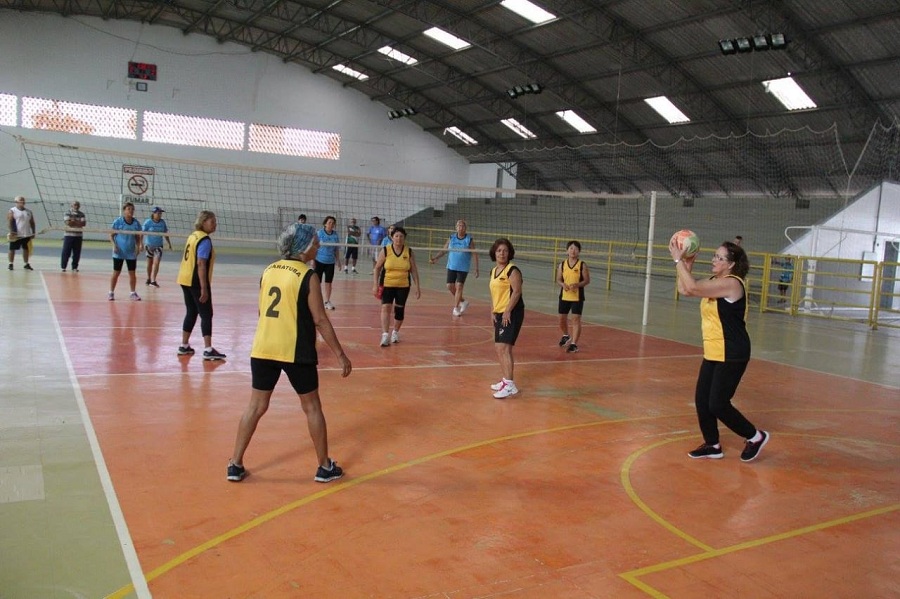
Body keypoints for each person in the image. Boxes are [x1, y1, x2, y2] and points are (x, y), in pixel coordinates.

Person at [227, 223, 352, 484]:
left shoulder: (268, 270)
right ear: (304, 247)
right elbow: (320, 320)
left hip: (263, 347)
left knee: (256, 406)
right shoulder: (308, 275)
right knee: (312, 407)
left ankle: (235, 464)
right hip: (295, 350)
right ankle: (324, 467)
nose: (319, 245)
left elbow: (262, 312)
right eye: (315, 242)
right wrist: (340, 354)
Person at [669, 238, 769, 462]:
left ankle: (755, 436)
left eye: (720, 257)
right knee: (702, 400)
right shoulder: (715, 280)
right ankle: (713, 445)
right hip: (714, 350)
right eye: (714, 255)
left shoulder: (733, 284)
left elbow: (693, 287)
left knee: (718, 403)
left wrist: (678, 260)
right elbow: (685, 289)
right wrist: (687, 264)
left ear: (731, 264)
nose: (714, 260)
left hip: (733, 351)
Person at [176, 210, 225, 360]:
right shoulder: (204, 240)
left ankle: (184, 346)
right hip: (196, 280)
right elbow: (201, 263)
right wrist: (204, 287)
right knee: (206, 314)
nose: (215, 224)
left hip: (184, 278)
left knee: (191, 311)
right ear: (203, 222)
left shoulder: (193, 236)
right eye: (212, 221)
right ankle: (208, 349)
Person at [373, 225, 420, 347]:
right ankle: (385, 335)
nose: (399, 239)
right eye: (396, 236)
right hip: (387, 284)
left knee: (399, 310)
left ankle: (395, 332)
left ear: (404, 238)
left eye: (401, 236)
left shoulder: (408, 252)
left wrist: (418, 287)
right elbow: (377, 268)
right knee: (386, 307)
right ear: (392, 237)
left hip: (403, 285)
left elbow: (413, 270)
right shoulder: (385, 250)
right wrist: (375, 285)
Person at [489, 238, 524, 399]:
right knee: (499, 348)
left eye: (505, 251)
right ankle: (506, 381)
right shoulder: (494, 271)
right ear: (494, 253)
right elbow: (495, 294)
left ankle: (509, 384)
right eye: (499, 251)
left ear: (509, 253)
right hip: (499, 312)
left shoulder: (512, 270)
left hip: (511, 312)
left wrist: (508, 311)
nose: (502, 253)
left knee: (503, 348)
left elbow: (516, 292)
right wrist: (492, 311)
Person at [429, 219, 480, 317]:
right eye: (459, 226)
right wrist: (435, 258)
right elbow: (444, 250)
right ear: (456, 228)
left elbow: (474, 254)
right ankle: (463, 302)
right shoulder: (451, 237)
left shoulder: (469, 240)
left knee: (459, 286)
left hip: (463, 267)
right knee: (449, 286)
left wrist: (476, 268)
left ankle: (456, 308)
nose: (461, 228)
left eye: (463, 226)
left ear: (466, 228)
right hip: (452, 266)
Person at [556, 240, 590, 353]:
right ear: (567, 250)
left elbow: (587, 280)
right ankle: (566, 335)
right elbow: (558, 279)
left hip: (577, 296)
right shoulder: (562, 264)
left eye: (575, 249)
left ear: (579, 251)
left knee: (575, 320)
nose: (573, 251)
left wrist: (577, 285)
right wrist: (562, 284)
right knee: (561, 319)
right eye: (571, 248)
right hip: (564, 295)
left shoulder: (582, 265)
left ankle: (574, 343)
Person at [108, 202, 143, 301]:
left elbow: (138, 236)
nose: (130, 211)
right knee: (116, 273)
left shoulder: (136, 223)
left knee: (132, 273)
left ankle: (133, 293)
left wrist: (139, 245)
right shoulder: (118, 222)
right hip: (119, 252)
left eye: (132, 209)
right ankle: (111, 292)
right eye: (128, 209)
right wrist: (114, 245)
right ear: (124, 210)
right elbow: (111, 235)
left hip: (131, 252)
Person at [314, 215, 342, 310]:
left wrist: (338, 261)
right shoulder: (320, 233)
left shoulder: (335, 235)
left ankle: (327, 301)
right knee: (317, 282)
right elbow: (315, 247)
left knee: (328, 282)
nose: (331, 224)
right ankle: (316, 301)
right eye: (329, 222)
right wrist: (312, 260)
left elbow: (336, 249)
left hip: (330, 262)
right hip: (319, 261)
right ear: (325, 223)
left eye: (333, 223)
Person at [142, 206, 172, 288]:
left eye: (160, 213)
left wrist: (169, 243)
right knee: (149, 263)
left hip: (159, 246)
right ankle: (148, 278)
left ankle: (153, 280)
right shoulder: (148, 222)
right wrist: (140, 244)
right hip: (149, 245)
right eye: (158, 213)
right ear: (153, 214)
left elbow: (165, 233)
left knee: (157, 262)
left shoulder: (162, 222)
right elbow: (141, 233)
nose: (159, 215)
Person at [7, 196, 36, 271]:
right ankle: (11, 263)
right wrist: (11, 231)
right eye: (20, 200)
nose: (22, 202)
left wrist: (33, 232)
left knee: (26, 249)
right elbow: (10, 221)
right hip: (16, 234)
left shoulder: (29, 211)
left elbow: (32, 223)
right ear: (16, 202)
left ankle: (26, 264)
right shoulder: (12, 210)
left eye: (23, 200)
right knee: (12, 249)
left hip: (26, 234)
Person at [60, 200, 86, 272]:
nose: (76, 206)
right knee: (66, 252)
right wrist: (77, 222)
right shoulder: (67, 213)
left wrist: (73, 220)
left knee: (77, 253)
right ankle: (63, 267)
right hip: (69, 235)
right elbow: (68, 223)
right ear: (71, 205)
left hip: (78, 236)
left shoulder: (82, 214)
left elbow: (83, 224)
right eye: (75, 205)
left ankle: (74, 267)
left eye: (77, 205)